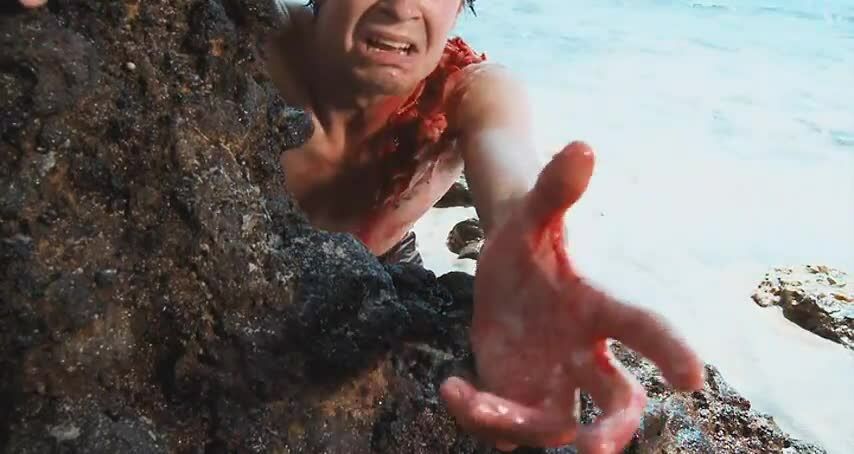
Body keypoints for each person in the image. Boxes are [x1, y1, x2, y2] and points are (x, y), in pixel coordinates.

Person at [18, 0, 706, 452]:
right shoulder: (234, 45)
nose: (401, 7)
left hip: (381, 269)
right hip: (226, 259)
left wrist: (537, 273)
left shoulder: (469, 91)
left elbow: (514, 180)